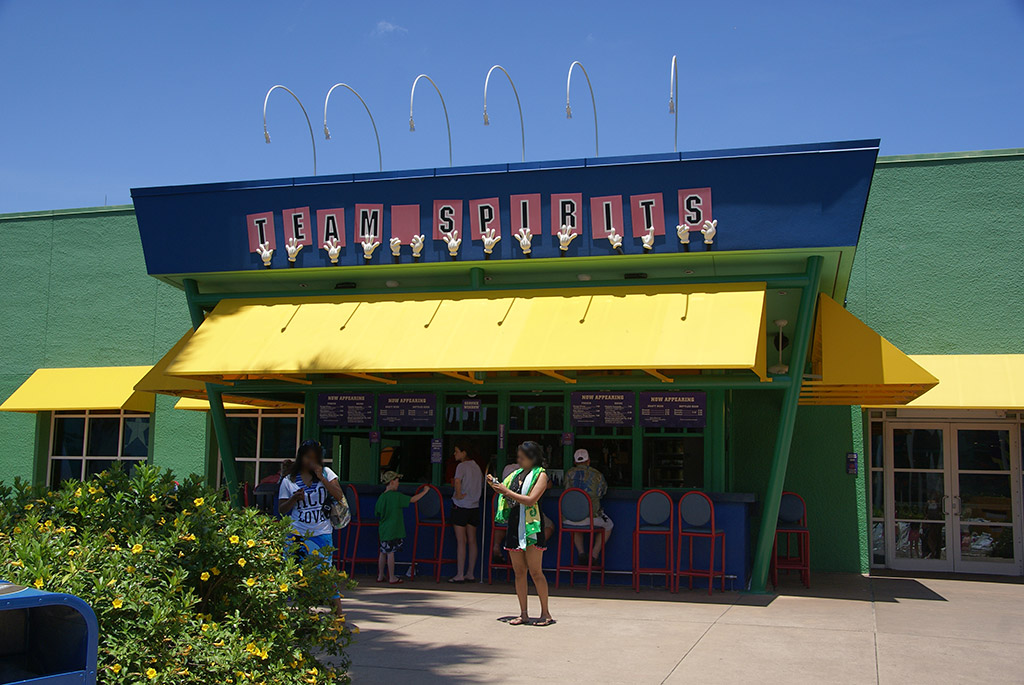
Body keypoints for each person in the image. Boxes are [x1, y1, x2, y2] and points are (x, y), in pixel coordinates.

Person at [488, 441, 555, 627]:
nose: (519, 460)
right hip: (514, 523)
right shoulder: (516, 474)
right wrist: (496, 485)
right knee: (519, 571)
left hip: (531, 525)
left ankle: (545, 613)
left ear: (532, 458)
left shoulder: (540, 474)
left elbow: (531, 499)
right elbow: (506, 493)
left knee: (535, 571)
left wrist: (506, 491)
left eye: (522, 457)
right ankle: (523, 613)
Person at [278, 439, 347, 616]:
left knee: (325, 574)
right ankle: (298, 614)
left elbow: (339, 496)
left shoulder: (327, 473)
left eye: (315, 458)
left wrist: (322, 478)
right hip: (296, 532)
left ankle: (338, 616)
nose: (311, 461)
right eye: (308, 457)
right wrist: (293, 499)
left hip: (321, 532)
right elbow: (282, 508)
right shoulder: (289, 480)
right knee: (294, 575)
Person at [375, 470, 429, 584]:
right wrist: (425, 492)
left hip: (383, 529)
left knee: (383, 551)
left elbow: (378, 513)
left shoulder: (381, 497)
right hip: (393, 529)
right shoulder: (396, 496)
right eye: (397, 481)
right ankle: (392, 577)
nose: (398, 483)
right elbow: (413, 500)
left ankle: (380, 575)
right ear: (392, 482)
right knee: (391, 553)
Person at [564, 448, 614, 567]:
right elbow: (602, 493)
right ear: (589, 461)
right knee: (609, 525)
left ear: (575, 462)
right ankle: (594, 555)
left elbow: (567, 492)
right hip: (590, 517)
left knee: (575, 522)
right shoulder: (598, 475)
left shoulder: (569, 474)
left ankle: (581, 553)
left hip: (569, 518)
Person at [449, 443, 483, 583]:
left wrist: (458, 494)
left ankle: (459, 574)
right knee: (472, 540)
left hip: (461, 506)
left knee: (461, 541)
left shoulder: (461, 466)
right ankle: (470, 573)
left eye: (457, 451)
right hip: (474, 506)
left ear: (464, 452)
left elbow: (457, 481)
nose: (454, 454)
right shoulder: (477, 467)